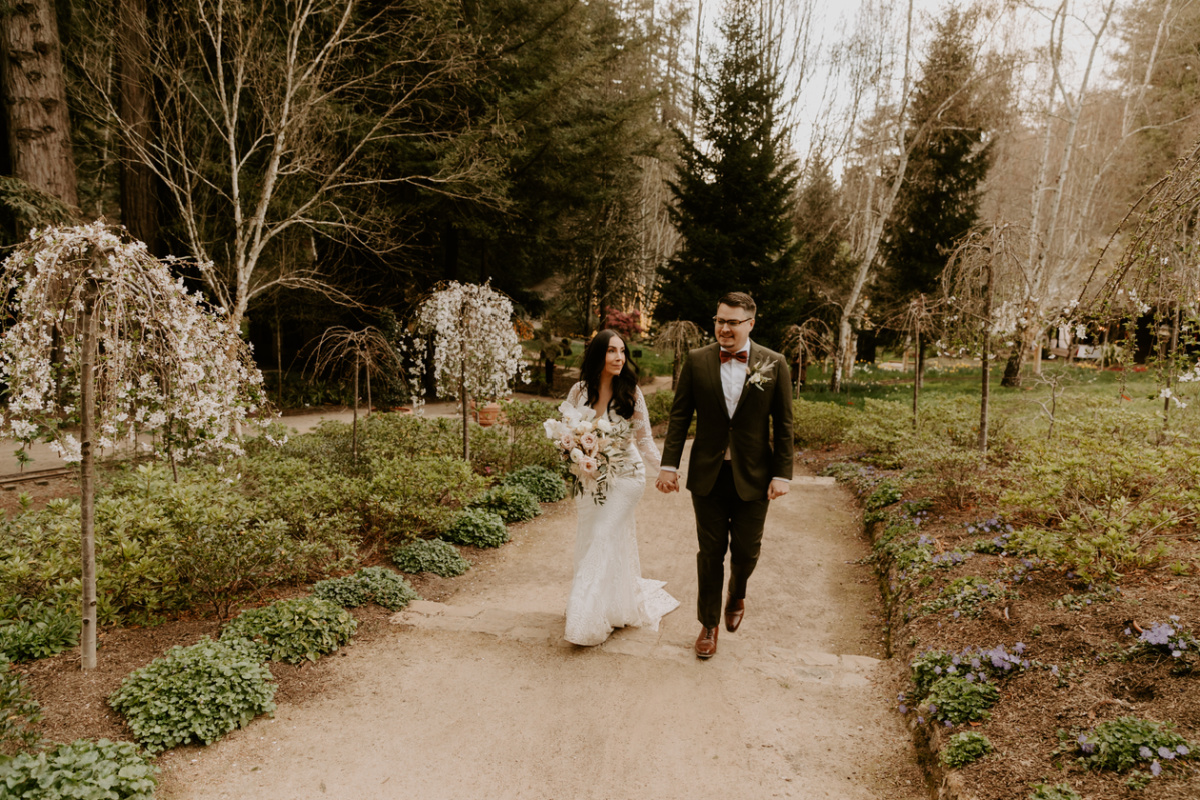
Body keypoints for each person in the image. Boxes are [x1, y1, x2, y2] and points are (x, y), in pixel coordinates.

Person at [655, 292, 794, 659]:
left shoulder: (774, 363)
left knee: (746, 552)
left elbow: (784, 426)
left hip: (755, 476)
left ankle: (737, 591)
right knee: (710, 552)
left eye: (733, 322)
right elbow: (680, 416)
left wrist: (783, 474)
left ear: (751, 323)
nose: (724, 328)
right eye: (719, 320)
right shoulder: (698, 361)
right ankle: (709, 624)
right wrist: (669, 465)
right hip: (708, 476)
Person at [563, 329, 680, 646]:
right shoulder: (578, 392)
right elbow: (566, 435)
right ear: (598, 355)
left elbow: (644, 442)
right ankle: (610, 607)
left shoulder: (631, 392)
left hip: (627, 477)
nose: (618, 357)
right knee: (592, 539)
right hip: (589, 478)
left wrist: (667, 470)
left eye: (623, 351)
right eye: (612, 351)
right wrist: (575, 453)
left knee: (602, 535)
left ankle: (583, 618)